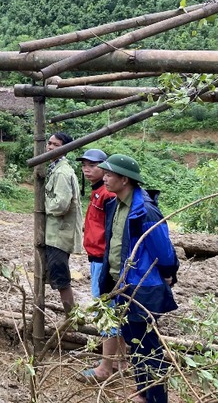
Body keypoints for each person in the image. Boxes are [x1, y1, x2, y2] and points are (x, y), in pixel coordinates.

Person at [98, 154, 178, 403]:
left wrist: (167, 274)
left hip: (143, 287)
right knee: (134, 341)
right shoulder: (116, 204)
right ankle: (144, 392)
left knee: (148, 346)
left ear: (125, 179)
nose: (105, 177)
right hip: (121, 286)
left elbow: (164, 252)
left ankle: (155, 397)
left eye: (110, 174)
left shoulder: (145, 211)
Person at [75, 148, 126, 383]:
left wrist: (108, 261)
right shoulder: (98, 192)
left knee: (106, 310)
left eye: (93, 165)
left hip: (104, 260)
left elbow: (114, 232)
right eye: (84, 164)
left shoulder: (108, 194)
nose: (87, 169)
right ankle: (121, 361)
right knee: (116, 308)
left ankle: (106, 367)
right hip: (97, 258)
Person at [43, 132, 83, 314]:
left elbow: (60, 205)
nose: (50, 147)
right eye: (49, 143)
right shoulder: (55, 168)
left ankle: (71, 316)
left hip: (59, 234)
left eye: (56, 145)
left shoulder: (62, 173)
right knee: (55, 273)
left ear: (65, 148)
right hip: (54, 233)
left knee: (60, 277)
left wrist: (43, 205)